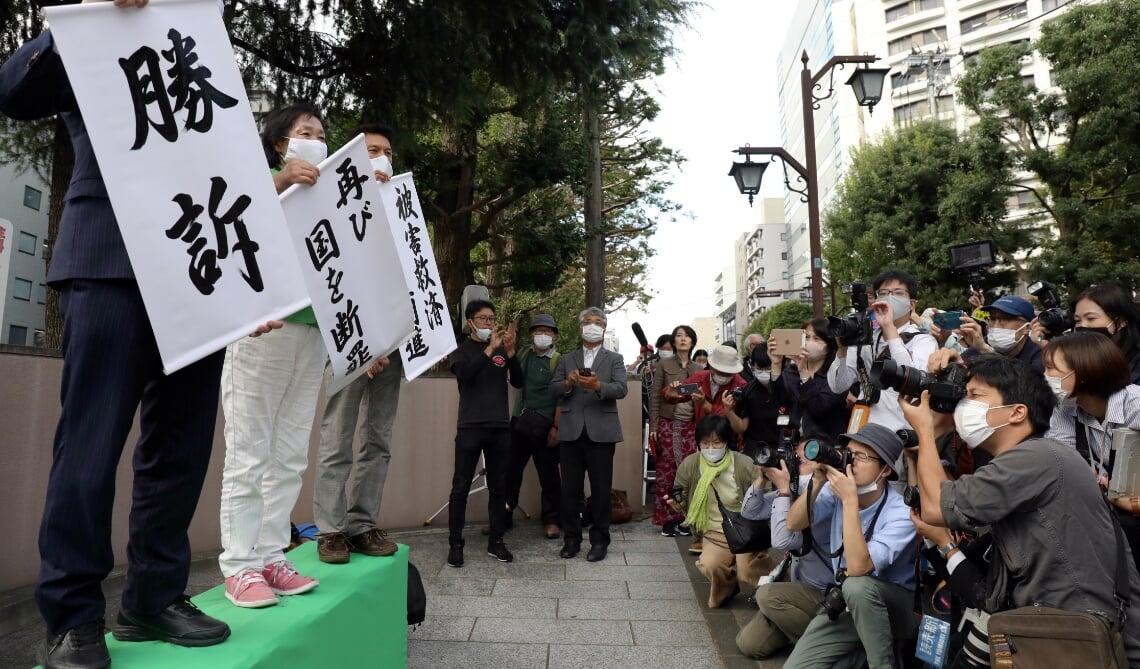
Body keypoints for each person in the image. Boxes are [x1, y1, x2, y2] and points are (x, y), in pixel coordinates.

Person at [0, 2, 276, 662]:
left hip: (197, 271)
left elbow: (229, 166)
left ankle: (153, 597)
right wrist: (83, 14)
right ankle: (72, 611)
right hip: (108, 262)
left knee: (181, 447)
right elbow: (13, 89)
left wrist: (252, 282)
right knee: (91, 445)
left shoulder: (197, 44)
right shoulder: (90, 31)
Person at [904, 353, 1140, 667]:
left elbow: (934, 508)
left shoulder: (1036, 458)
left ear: (1017, 412)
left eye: (975, 397)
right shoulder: (1035, 457)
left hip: (1078, 637)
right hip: (1063, 631)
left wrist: (925, 430)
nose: (964, 407)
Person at [217, 103, 332, 609]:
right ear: (280, 144)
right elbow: (226, 221)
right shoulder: (258, 180)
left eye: (322, 134)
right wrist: (281, 181)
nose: (316, 140)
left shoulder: (328, 193)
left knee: (288, 455)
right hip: (263, 329)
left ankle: (270, 554)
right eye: (305, 132)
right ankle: (238, 566)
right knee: (249, 453)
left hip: (312, 334)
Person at [312, 123, 401, 565]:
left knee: (378, 439)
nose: (380, 159)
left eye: (385, 152)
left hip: (395, 342)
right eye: (370, 151)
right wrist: (363, 341)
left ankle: (362, 523)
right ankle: (330, 530)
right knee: (338, 434)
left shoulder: (401, 208)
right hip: (348, 336)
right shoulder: (330, 203)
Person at [784, 422, 919, 668]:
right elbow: (793, 524)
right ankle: (861, 655)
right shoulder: (836, 492)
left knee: (858, 586)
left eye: (862, 456)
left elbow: (859, 569)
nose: (850, 461)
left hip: (894, 609)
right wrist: (817, 481)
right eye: (849, 453)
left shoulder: (902, 512)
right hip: (845, 601)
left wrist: (849, 501)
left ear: (886, 470)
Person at [1042, 332, 1140, 571]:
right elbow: (1062, 466)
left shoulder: (1135, 407)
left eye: (1051, 369)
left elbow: (1128, 493)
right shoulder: (1065, 409)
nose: (1044, 377)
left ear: (1084, 371)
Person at [736, 437, 836, 660]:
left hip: (824, 590)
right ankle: (802, 631)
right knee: (749, 644)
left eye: (802, 459)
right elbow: (750, 512)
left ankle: (822, 644)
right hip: (797, 585)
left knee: (767, 596)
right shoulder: (796, 488)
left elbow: (783, 540)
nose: (794, 462)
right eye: (795, 457)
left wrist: (783, 491)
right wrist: (762, 478)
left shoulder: (827, 494)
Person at [668, 415, 772, 607]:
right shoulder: (691, 464)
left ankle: (775, 588)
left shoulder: (743, 463)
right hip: (714, 529)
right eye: (705, 443)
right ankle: (727, 587)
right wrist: (677, 503)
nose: (710, 448)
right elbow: (680, 494)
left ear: (727, 443)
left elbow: (766, 492)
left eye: (716, 443)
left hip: (746, 528)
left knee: (747, 570)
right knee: (710, 564)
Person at [550, 307, 628, 562]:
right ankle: (571, 539)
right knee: (569, 490)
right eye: (588, 322)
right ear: (580, 327)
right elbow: (553, 390)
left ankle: (599, 541)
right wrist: (569, 383)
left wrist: (598, 386)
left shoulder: (614, 358)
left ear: (604, 328)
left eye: (598, 322)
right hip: (571, 431)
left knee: (601, 490)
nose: (593, 326)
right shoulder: (566, 358)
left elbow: (621, 389)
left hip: (602, 433)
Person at [446, 299, 517, 567]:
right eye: (484, 318)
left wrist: (510, 354)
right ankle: (455, 544)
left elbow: (519, 380)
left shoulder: (501, 352)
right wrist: (489, 349)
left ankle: (496, 541)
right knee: (460, 487)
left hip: (499, 426)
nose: (489, 323)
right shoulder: (462, 350)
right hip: (470, 426)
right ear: (470, 322)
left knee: (500, 487)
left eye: (491, 318)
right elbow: (466, 375)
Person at [827, 269, 938, 432]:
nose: (889, 297)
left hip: (900, 431)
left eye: (898, 293)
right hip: (862, 428)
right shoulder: (866, 338)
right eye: (883, 293)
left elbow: (910, 380)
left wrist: (889, 328)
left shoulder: (922, 340)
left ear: (912, 304)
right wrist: (842, 351)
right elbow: (838, 386)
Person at [504, 313, 563, 539]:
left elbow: (561, 397)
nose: (542, 335)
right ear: (531, 334)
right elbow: (513, 377)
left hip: (546, 426)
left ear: (555, 336)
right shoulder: (524, 354)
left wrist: (556, 427)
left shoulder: (558, 361)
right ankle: (503, 517)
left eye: (547, 331)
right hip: (519, 422)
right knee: (510, 473)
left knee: (548, 476)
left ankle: (551, 520)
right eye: (538, 331)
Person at [648, 325, 702, 537]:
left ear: (692, 341)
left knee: (689, 471)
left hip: (691, 425)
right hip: (668, 423)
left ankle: (687, 517)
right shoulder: (664, 363)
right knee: (666, 471)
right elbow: (654, 396)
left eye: (687, 336)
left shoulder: (699, 369)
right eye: (679, 336)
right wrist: (654, 426)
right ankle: (666, 519)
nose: (682, 339)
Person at [776, 318, 848, 440]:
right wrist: (776, 365)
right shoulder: (791, 372)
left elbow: (818, 407)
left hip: (824, 446)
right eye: (807, 337)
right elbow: (777, 400)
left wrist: (804, 373)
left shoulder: (836, 375)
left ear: (828, 346)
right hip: (792, 443)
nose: (809, 342)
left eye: (817, 339)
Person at [956, 295, 1043, 372]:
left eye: (1005, 319)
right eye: (992, 319)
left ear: (1027, 327)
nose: (996, 325)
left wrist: (986, 351)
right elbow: (960, 366)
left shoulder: (1039, 349)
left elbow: (1027, 384)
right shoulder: (983, 343)